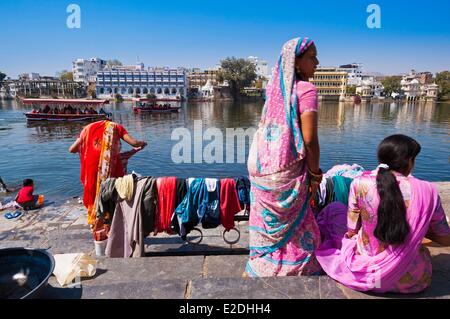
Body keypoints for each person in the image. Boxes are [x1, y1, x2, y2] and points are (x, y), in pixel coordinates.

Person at [316, 134, 450, 293]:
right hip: (411, 279)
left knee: (336, 208)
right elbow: (444, 239)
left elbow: (351, 231)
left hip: (367, 273)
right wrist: (418, 231)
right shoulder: (428, 190)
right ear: (409, 161)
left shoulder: (360, 183)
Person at [245, 36, 322, 277]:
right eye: (312, 58)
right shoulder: (306, 90)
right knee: (296, 222)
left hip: (261, 164)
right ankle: (294, 266)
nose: (317, 63)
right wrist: (314, 174)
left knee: (269, 221)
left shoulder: (275, 91)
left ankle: (261, 264)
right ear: (296, 63)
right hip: (285, 167)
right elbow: (309, 140)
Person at [69, 120, 147, 225]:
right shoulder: (116, 127)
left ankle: (97, 220)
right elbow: (134, 143)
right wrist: (142, 143)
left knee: (94, 191)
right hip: (110, 167)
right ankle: (110, 220)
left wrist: (85, 144)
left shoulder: (86, 129)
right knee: (111, 190)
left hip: (91, 167)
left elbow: (72, 149)